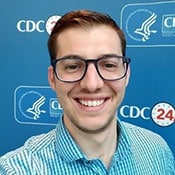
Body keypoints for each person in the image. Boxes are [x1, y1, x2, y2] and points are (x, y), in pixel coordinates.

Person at [0, 10, 174, 175]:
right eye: (73, 66)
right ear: (53, 79)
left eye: (108, 65)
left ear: (126, 74)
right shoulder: (16, 170)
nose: (92, 84)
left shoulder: (156, 150)